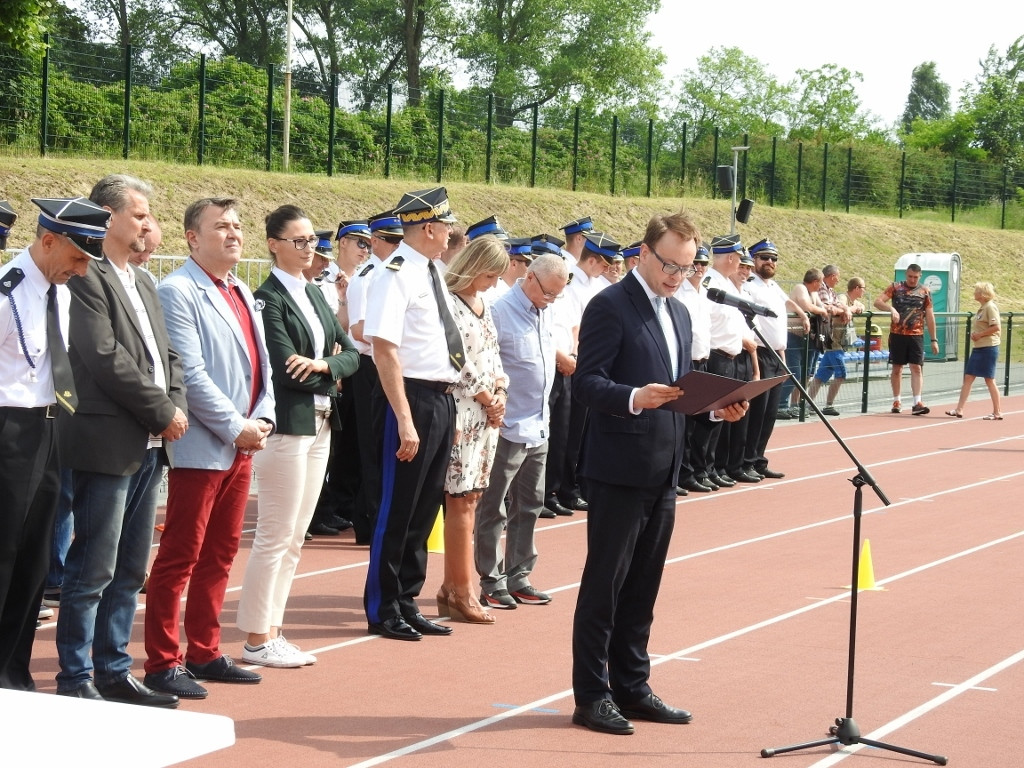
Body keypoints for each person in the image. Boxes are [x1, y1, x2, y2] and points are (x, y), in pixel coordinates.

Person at [571, 211, 747, 735]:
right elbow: (586, 384)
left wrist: (716, 409)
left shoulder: (682, 312)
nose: (676, 276)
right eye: (669, 264)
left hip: (664, 466)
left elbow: (675, 391)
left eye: (686, 268)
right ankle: (592, 695)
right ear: (643, 252)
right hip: (618, 467)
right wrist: (632, 397)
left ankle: (633, 685)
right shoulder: (609, 305)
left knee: (644, 586)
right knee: (605, 585)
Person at [54, 175, 187, 708]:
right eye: (138, 214)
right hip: (108, 438)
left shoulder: (145, 281)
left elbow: (167, 356)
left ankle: (113, 668)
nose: (147, 223)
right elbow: (103, 355)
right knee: (93, 567)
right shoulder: (87, 276)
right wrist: (161, 411)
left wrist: (173, 405)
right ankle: (75, 675)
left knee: (131, 568)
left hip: (152, 442)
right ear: (107, 217)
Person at [143, 197, 275, 699]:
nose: (234, 233)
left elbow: (261, 367)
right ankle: (162, 660)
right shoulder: (177, 290)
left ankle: (204, 650)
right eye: (221, 226)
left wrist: (262, 418)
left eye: (238, 225)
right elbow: (190, 375)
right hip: (204, 444)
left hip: (243, 443)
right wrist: (235, 426)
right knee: (180, 555)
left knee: (220, 554)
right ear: (192, 238)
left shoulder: (240, 288)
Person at [236, 205, 359, 668]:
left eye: (313, 242)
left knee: (294, 537)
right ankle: (255, 637)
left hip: (323, 422)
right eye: (299, 241)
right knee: (275, 532)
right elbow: (287, 371)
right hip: (289, 425)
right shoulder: (266, 298)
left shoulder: (313, 293)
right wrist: (329, 368)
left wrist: (326, 364)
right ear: (273, 244)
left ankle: (273, 631)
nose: (309, 249)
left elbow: (351, 355)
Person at [0, 196, 103, 690]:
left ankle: (12, 672)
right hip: (8, 431)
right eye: (79, 257)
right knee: (3, 552)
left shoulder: (58, 291)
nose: (82, 271)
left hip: (49, 427)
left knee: (34, 557)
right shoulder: (7, 292)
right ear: (48, 241)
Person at [362, 186, 461, 642]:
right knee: (398, 508)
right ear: (428, 228)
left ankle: (408, 600)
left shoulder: (431, 270)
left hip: (440, 397)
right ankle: (384, 607)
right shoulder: (396, 274)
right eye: (446, 226)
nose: (450, 233)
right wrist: (404, 418)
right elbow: (385, 350)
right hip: (412, 397)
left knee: (424, 510)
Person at [475, 253, 568, 609]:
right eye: (547, 293)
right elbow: (487, 364)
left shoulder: (545, 310)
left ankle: (519, 575)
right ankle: (489, 577)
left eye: (557, 295)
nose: (551, 300)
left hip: (538, 423)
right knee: (493, 507)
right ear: (529, 278)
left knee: (530, 504)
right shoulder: (499, 311)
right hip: (506, 426)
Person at [438, 235, 509, 624]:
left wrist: (499, 390)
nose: (493, 282)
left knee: (474, 496)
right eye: (488, 274)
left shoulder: (485, 305)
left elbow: (494, 354)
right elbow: (455, 360)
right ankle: (462, 590)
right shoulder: (448, 303)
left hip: (486, 414)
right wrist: (486, 396)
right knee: (460, 499)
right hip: (463, 409)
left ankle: (452, 587)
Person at [345, 210, 404, 545]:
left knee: (390, 444)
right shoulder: (368, 276)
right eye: (391, 240)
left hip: (392, 363)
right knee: (372, 446)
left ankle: (379, 515)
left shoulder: (394, 274)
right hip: (371, 366)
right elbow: (359, 328)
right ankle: (370, 521)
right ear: (375, 242)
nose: (397, 246)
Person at [743, 238, 808, 477]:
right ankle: (747, 461)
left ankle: (759, 459)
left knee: (770, 413)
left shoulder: (772, 286)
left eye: (773, 259)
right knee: (756, 413)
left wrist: (802, 313)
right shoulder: (750, 285)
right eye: (764, 258)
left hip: (775, 355)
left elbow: (786, 302)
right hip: (757, 353)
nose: (770, 262)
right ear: (754, 260)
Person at [874, 263, 939, 415]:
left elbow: (930, 315)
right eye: (910, 276)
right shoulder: (895, 287)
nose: (912, 280)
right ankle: (897, 400)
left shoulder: (925, 291)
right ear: (906, 275)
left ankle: (917, 402)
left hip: (916, 335)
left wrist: (934, 339)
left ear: (920, 276)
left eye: (915, 277)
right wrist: (891, 309)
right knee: (897, 368)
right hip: (897, 334)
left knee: (916, 367)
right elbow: (878, 302)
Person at [807, 277, 866, 415]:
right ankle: (828, 405)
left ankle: (808, 403)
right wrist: (850, 309)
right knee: (841, 374)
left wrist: (857, 308)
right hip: (834, 343)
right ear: (856, 288)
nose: (864, 291)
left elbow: (860, 306)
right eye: (863, 288)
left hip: (839, 344)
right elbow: (840, 306)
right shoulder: (842, 297)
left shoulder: (853, 301)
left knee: (821, 375)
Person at [779, 268, 830, 418]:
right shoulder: (800, 288)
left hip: (808, 337)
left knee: (806, 373)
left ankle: (795, 404)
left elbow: (822, 306)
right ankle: (780, 404)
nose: (821, 286)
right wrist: (821, 311)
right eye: (820, 283)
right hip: (793, 334)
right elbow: (807, 306)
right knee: (794, 372)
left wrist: (835, 308)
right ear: (815, 282)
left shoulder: (813, 293)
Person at [947, 282, 1001, 420]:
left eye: (976, 290)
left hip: (988, 347)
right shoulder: (982, 308)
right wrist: (976, 335)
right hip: (979, 348)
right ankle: (959, 409)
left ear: (982, 294)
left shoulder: (990, 307)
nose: (974, 293)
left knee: (989, 379)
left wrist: (980, 335)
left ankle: (997, 412)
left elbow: (996, 327)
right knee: (969, 377)